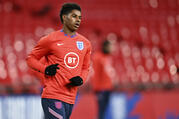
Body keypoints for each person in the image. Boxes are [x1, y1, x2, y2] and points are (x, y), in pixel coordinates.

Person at [26, 3, 91, 119]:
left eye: (80, 17)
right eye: (74, 16)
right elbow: (30, 59)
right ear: (64, 18)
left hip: (70, 98)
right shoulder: (50, 39)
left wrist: (81, 79)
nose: (78, 20)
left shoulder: (85, 43)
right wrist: (45, 69)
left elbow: (85, 67)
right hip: (52, 95)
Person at [91, 39, 117, 119]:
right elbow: (95, 73)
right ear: (105, 47)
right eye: (110, 46)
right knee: (101, 110)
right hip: (101, 88)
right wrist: (96, 88)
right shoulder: (97, 57)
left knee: (105, 110)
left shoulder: (108, 57)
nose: (112, 48)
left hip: (108, 87)